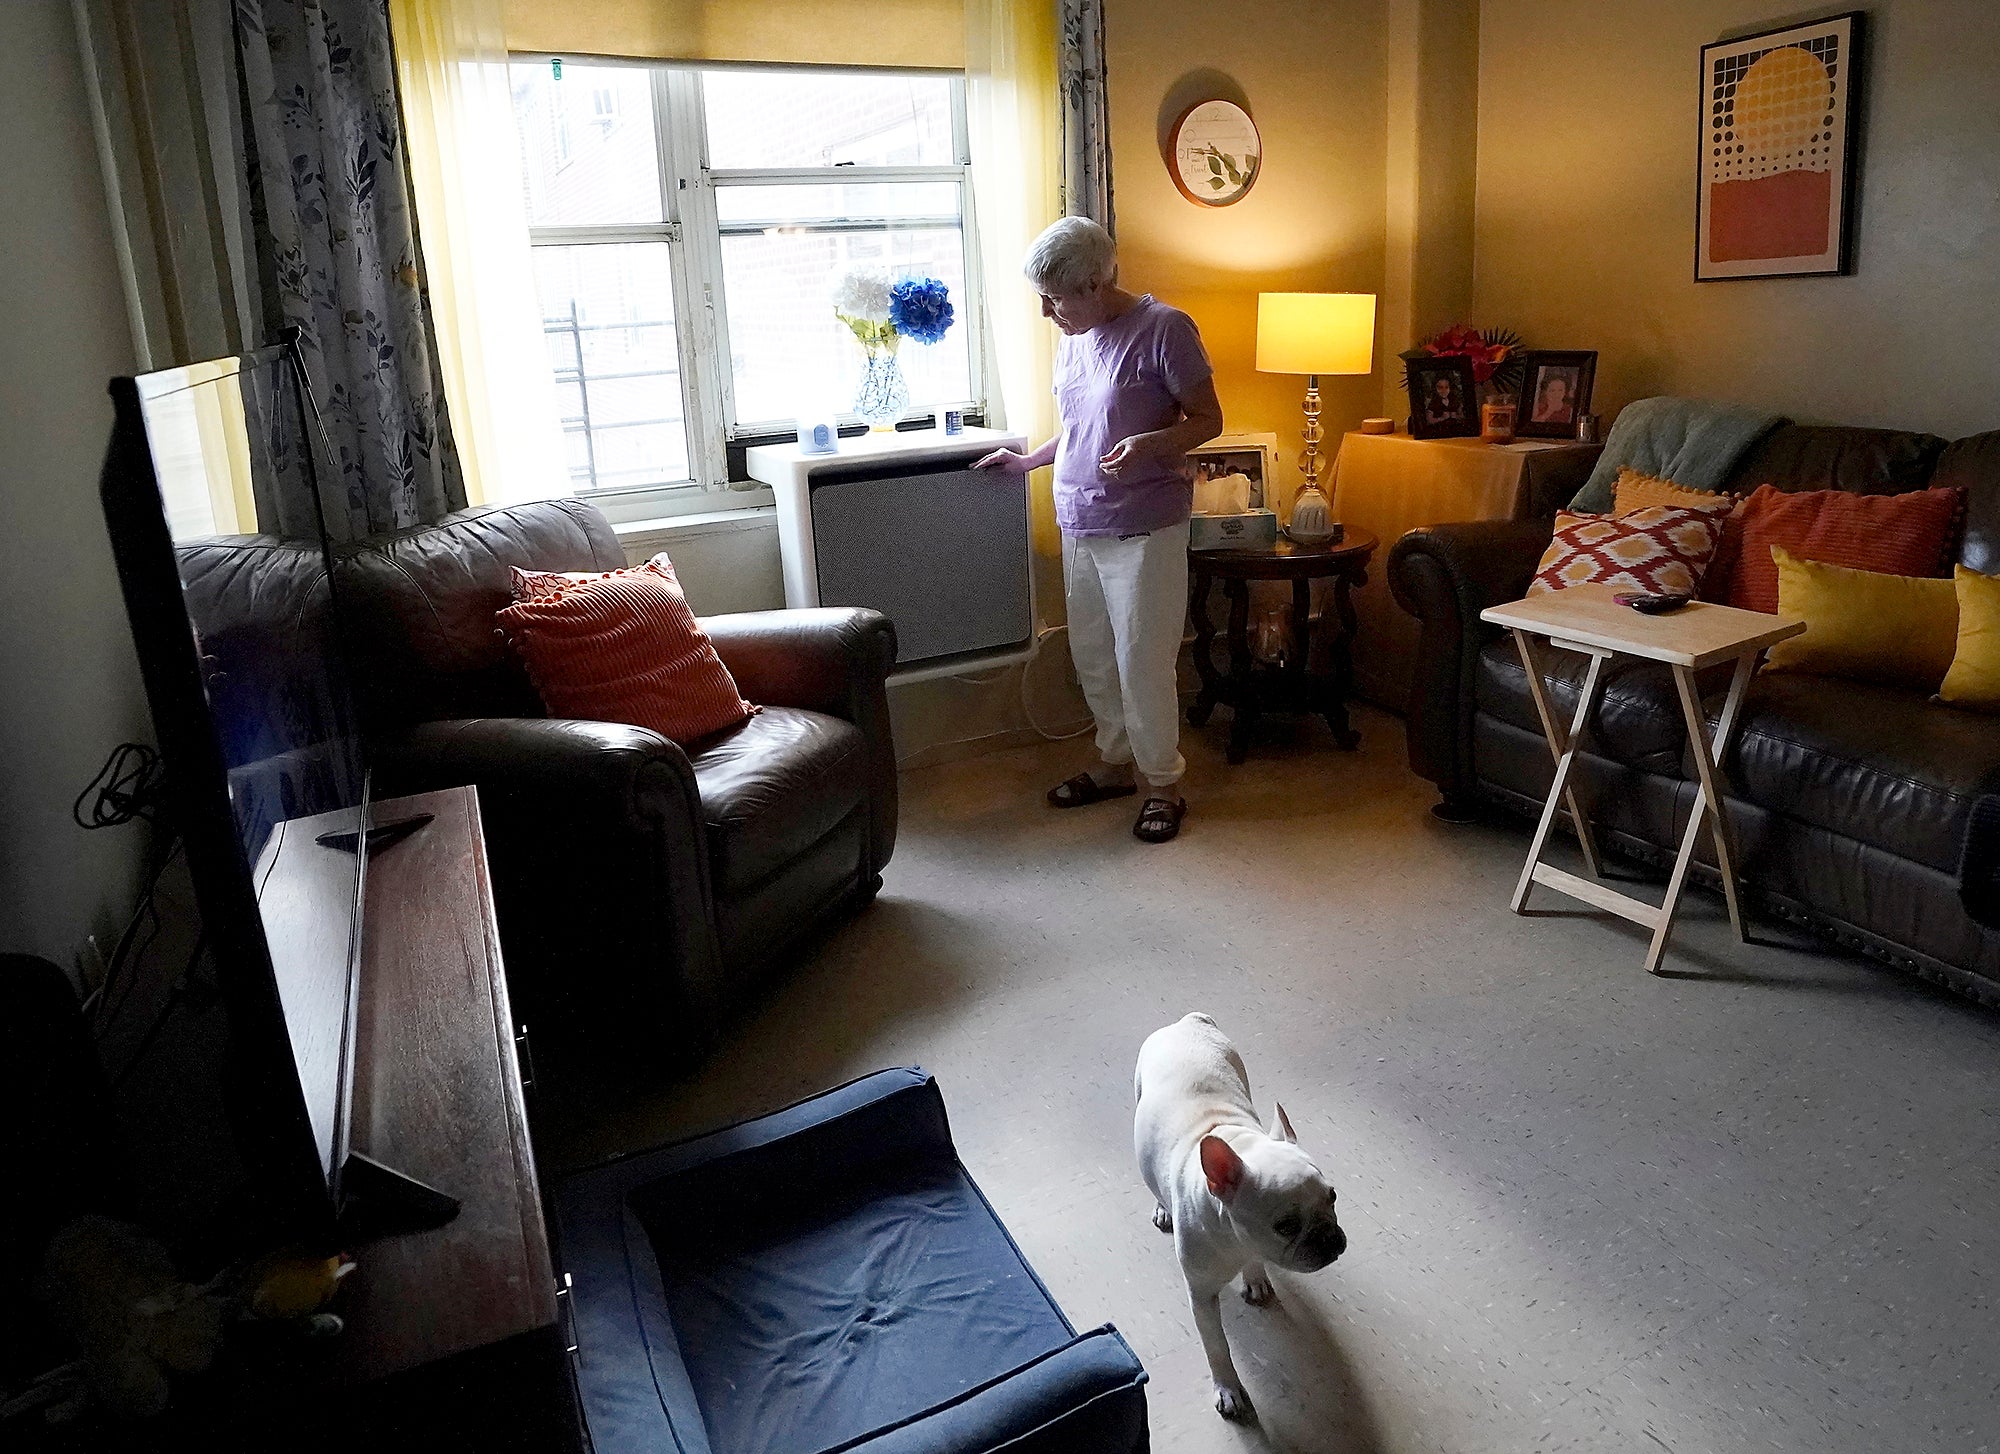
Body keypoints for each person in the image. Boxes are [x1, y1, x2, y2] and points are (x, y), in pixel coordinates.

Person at [974, 217, 1223, 844]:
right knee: (1092, 656)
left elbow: (1208, 420)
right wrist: (1028, 462)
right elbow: (1081, 425)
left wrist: (1150, 445)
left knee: (1142, 660)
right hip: (1080, 518)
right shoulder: (1076, 336)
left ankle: (1162, 783)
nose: (1046, 313)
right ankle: (1115, 764)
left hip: (1144, 526)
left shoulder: (1166, 328)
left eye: (1054, 299)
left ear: (1094, 283)